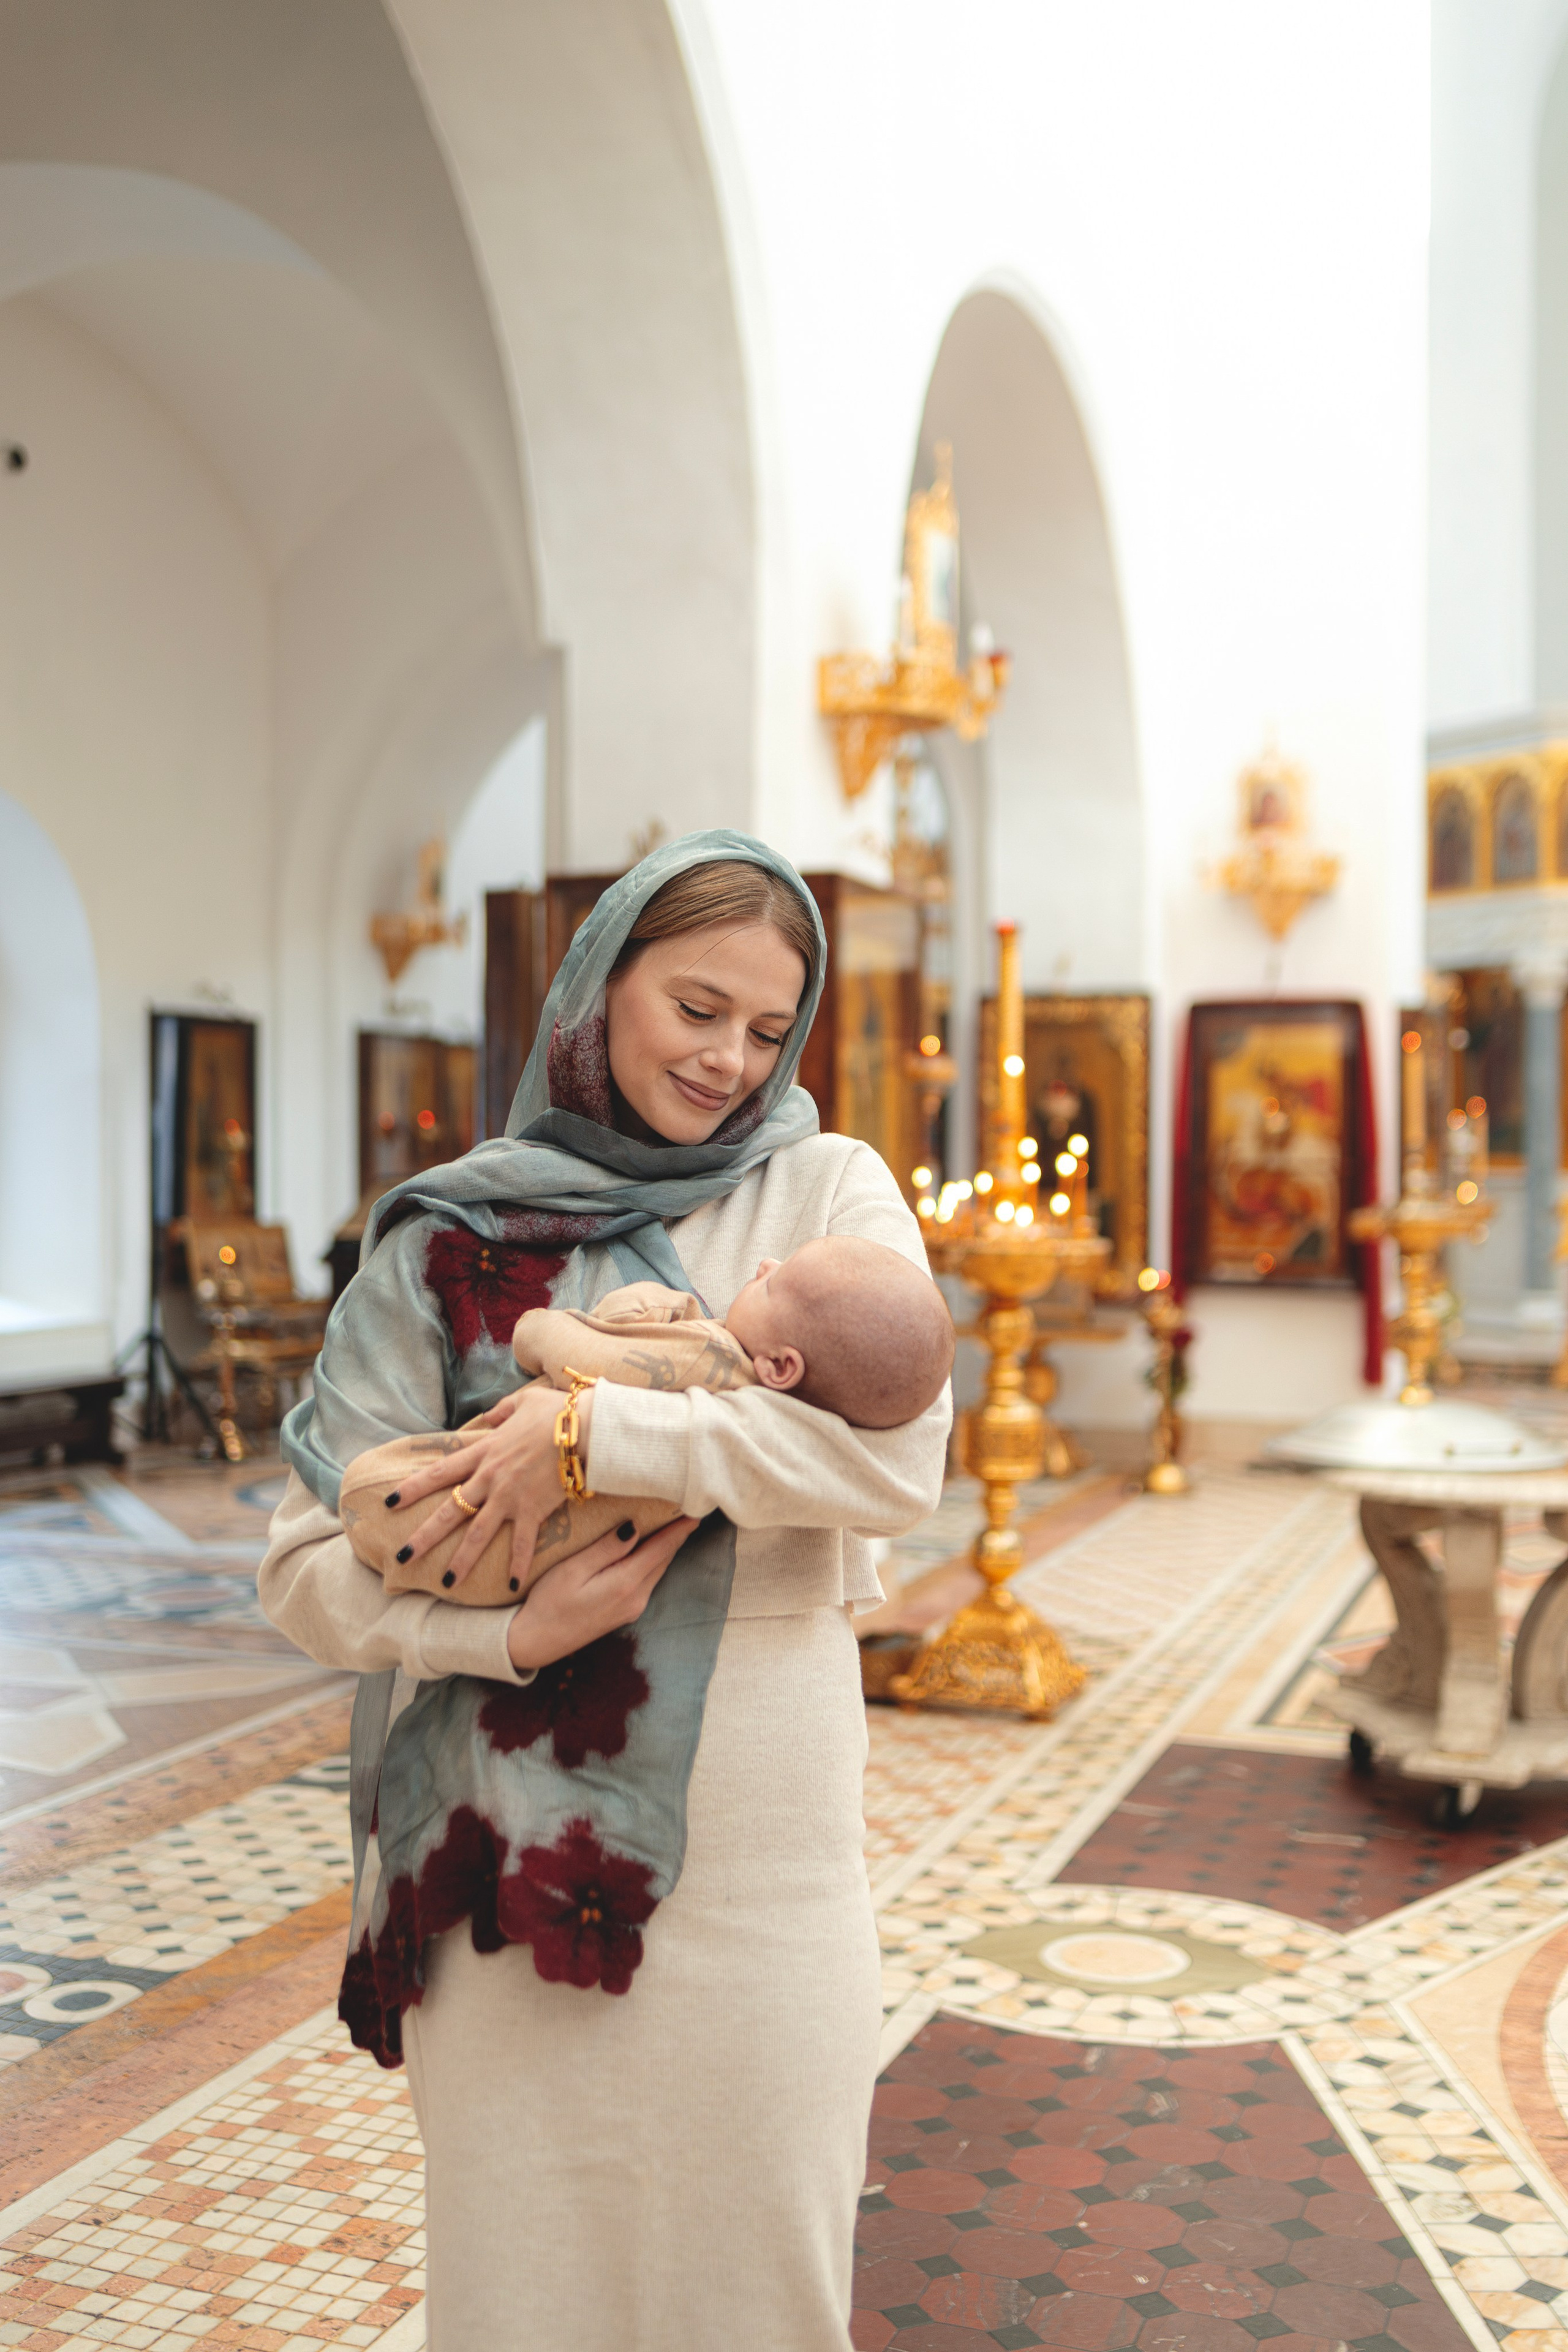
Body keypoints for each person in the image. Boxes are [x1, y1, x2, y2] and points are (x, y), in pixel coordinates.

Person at [257, 832, 952, 2351]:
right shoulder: (449, 1236)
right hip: (505, 1847)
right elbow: (304, 1565)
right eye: (695, 1007)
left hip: (766, 1857)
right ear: (598, 980)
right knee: (530, 2288)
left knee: (758, 2282)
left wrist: (592, 1429)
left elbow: (897, 1465)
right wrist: (503, 1629)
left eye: (770, 1030)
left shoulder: (827, 1187)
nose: (729, 1061)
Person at [336, 1234, 956, 1607]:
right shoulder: (767, 1405)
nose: (765, 1264)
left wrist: (570, 1389)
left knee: (382, 1492)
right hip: (514, 1581)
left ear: (780, 1367)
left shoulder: (709, 1364)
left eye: (777, 1283)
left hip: (438, 1521)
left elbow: (577, 1346)